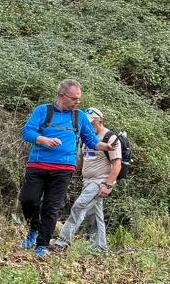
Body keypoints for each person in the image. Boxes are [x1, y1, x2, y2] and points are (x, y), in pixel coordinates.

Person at [21, 80, 99, 257]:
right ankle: (34, 228)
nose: (77, 102)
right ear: (62, 96)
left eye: (79, 99)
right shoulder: (43, 111)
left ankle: (42, 245)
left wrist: (105, 146)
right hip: (38, 164)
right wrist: (43, 140)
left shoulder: (79, 117)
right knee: (29, 200)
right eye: (74, 98)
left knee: (52, 207)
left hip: (64, 168)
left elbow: (92, 141)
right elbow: (27, 132)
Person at [52, 107, 122, 254]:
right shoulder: (86, 138)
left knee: (79, 206)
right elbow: (81, 160)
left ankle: (62, 242)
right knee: (95, 216)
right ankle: (99, 249)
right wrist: (66, 175)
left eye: (92, 123)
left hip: (101, 181)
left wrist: (108, 185)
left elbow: (117, 164)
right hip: (87, 181)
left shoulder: (110, 138)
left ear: (100, 121)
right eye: (87, 123)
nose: (89, 126)